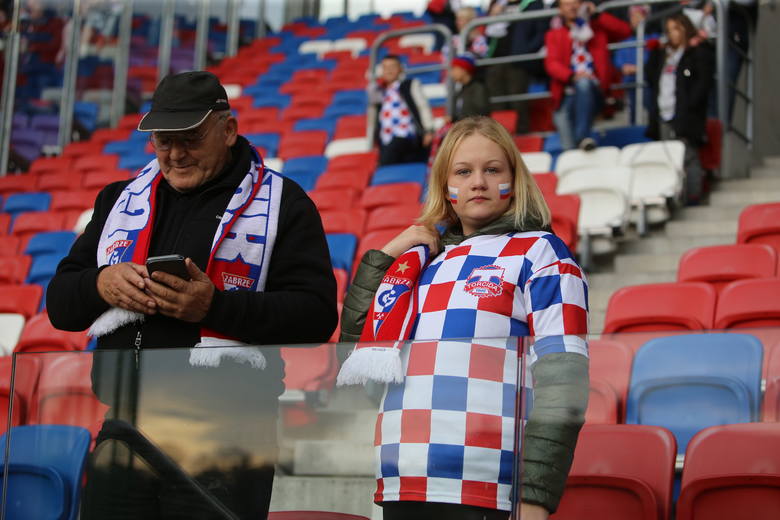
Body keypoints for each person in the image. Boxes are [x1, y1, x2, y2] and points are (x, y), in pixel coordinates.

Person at [47, 70, 338, 518]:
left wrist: (215, 308)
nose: (176, 154)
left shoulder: (286, 203)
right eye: (164, 141)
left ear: (228, 130)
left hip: (228, 435)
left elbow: (316, 316)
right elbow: (62, 304)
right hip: (127, 425)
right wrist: (100, 283)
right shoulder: (119, 200)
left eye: (191, 138)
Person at [338, 116, 589, 520]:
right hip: (403, 481)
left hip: (489, 488)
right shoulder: (419, 263)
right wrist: (384, 258)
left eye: (493, 170)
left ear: (514, 179)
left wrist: (536, 496)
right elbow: (356, 360)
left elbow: (564, 382)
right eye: (463, 171)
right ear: (444, 186)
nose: (478, 182)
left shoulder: (542, 253)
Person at [645, 12, 714, 204]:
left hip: (686, 113)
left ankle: (693, 197)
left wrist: (690, 105)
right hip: (663, 112)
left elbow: (703, 83)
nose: (672, 34)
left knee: (688, 155)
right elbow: (650, 77)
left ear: (686, 28)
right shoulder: (663, 54)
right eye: (668, 30)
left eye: (676, 28)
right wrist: (653, 52)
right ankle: (673, 200)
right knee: (667, 159)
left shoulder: (697, 51)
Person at [544, 0, 629, 150]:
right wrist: (573, 76)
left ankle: (582, 137)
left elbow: (625, 31)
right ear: (560, 10)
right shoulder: (554, 35)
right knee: (566, 139)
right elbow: (552, 64)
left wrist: (598, 15)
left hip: (594, 90)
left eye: (576, 2)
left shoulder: (597, 30)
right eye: (567, 4)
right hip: (567, 92)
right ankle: (579, 145)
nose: (572, 7)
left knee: (584, 84)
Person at [484, 0, 548, 134]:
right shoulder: (497, 5)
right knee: (497, 104)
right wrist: (492, 16)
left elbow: (541, 32)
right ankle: (500, 137)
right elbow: (488, 37)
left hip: (519, 63)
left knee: (518, 102)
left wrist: (526, 51)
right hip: (496, 62)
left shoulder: (533, 4)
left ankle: (522, 135)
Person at [368, 55, 435, 166]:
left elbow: (422, 107)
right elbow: (373, 116)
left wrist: (428, 130)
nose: (389, 70)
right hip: (386, 138)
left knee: (386, 163)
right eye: (385, 67)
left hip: (406, 134)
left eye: (392, 67)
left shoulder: (409, 85)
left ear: (400, 69)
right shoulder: (378, 90)